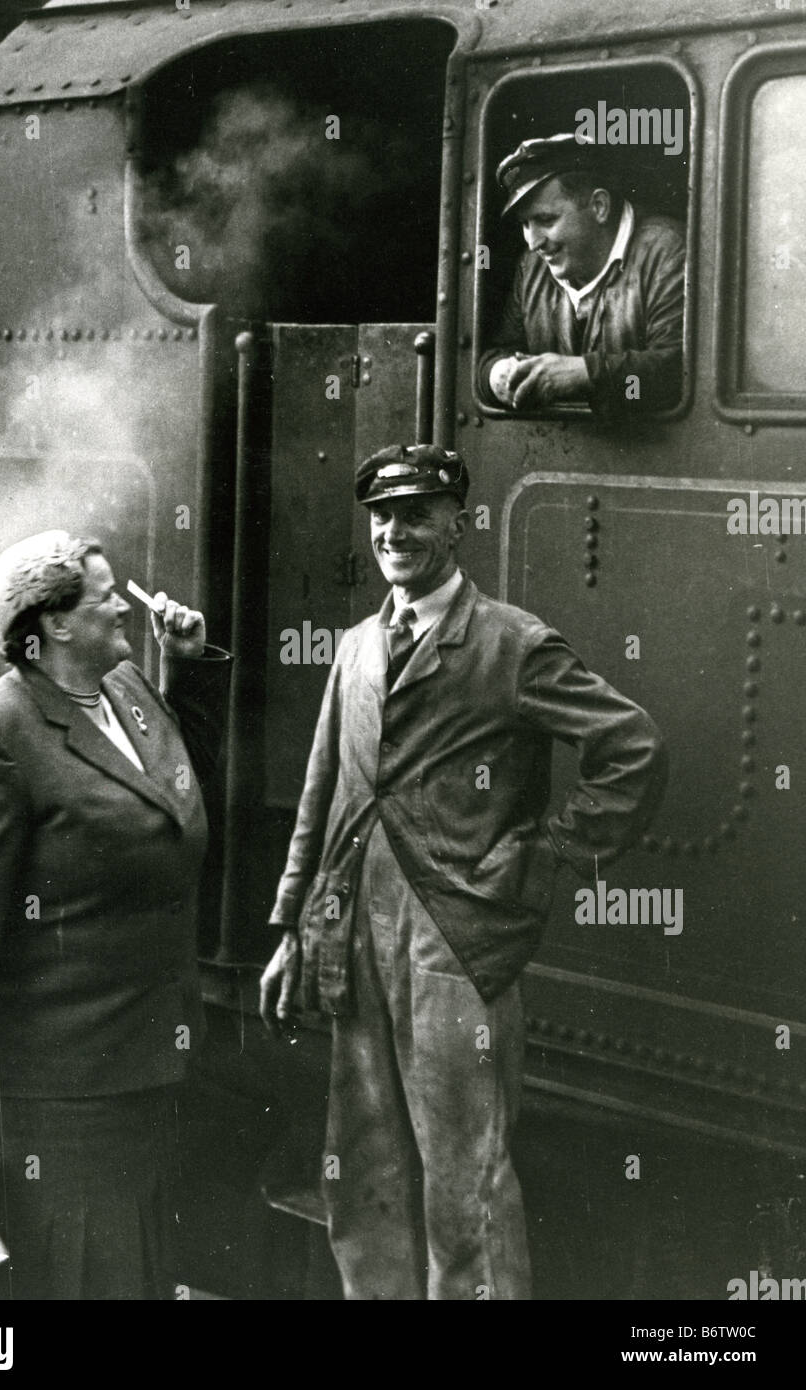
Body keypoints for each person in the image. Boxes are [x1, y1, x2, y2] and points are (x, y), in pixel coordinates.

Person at [259, 444, 667, 1300]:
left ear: (458, 523)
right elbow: (323, 791)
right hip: (355, 941)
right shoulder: (360, 646)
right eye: (381, 518)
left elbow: (631, 747)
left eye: (415, 514)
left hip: (457, 940)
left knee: (465, 1183)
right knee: (360, 1173)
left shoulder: (511, 643)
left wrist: (546, 849)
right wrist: (292, 923)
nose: (394, 532)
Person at [0, 530, 230, 1299]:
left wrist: (188, 671)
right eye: (104, 594)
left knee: (125, 1265)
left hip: (139, 1052)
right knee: (78, 1268)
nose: (125, 604)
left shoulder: (125, 691)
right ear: (53, 625)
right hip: (60, 1083)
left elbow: (176, 799)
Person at [478, 132, 685, 414]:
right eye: (526, 224)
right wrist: (497, 375)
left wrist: (584, 375)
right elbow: (492, 355)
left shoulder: (668, 251)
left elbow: (676, 374)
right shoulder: (532, 267)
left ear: (599, 207)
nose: (533, 242)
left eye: (546, 220)